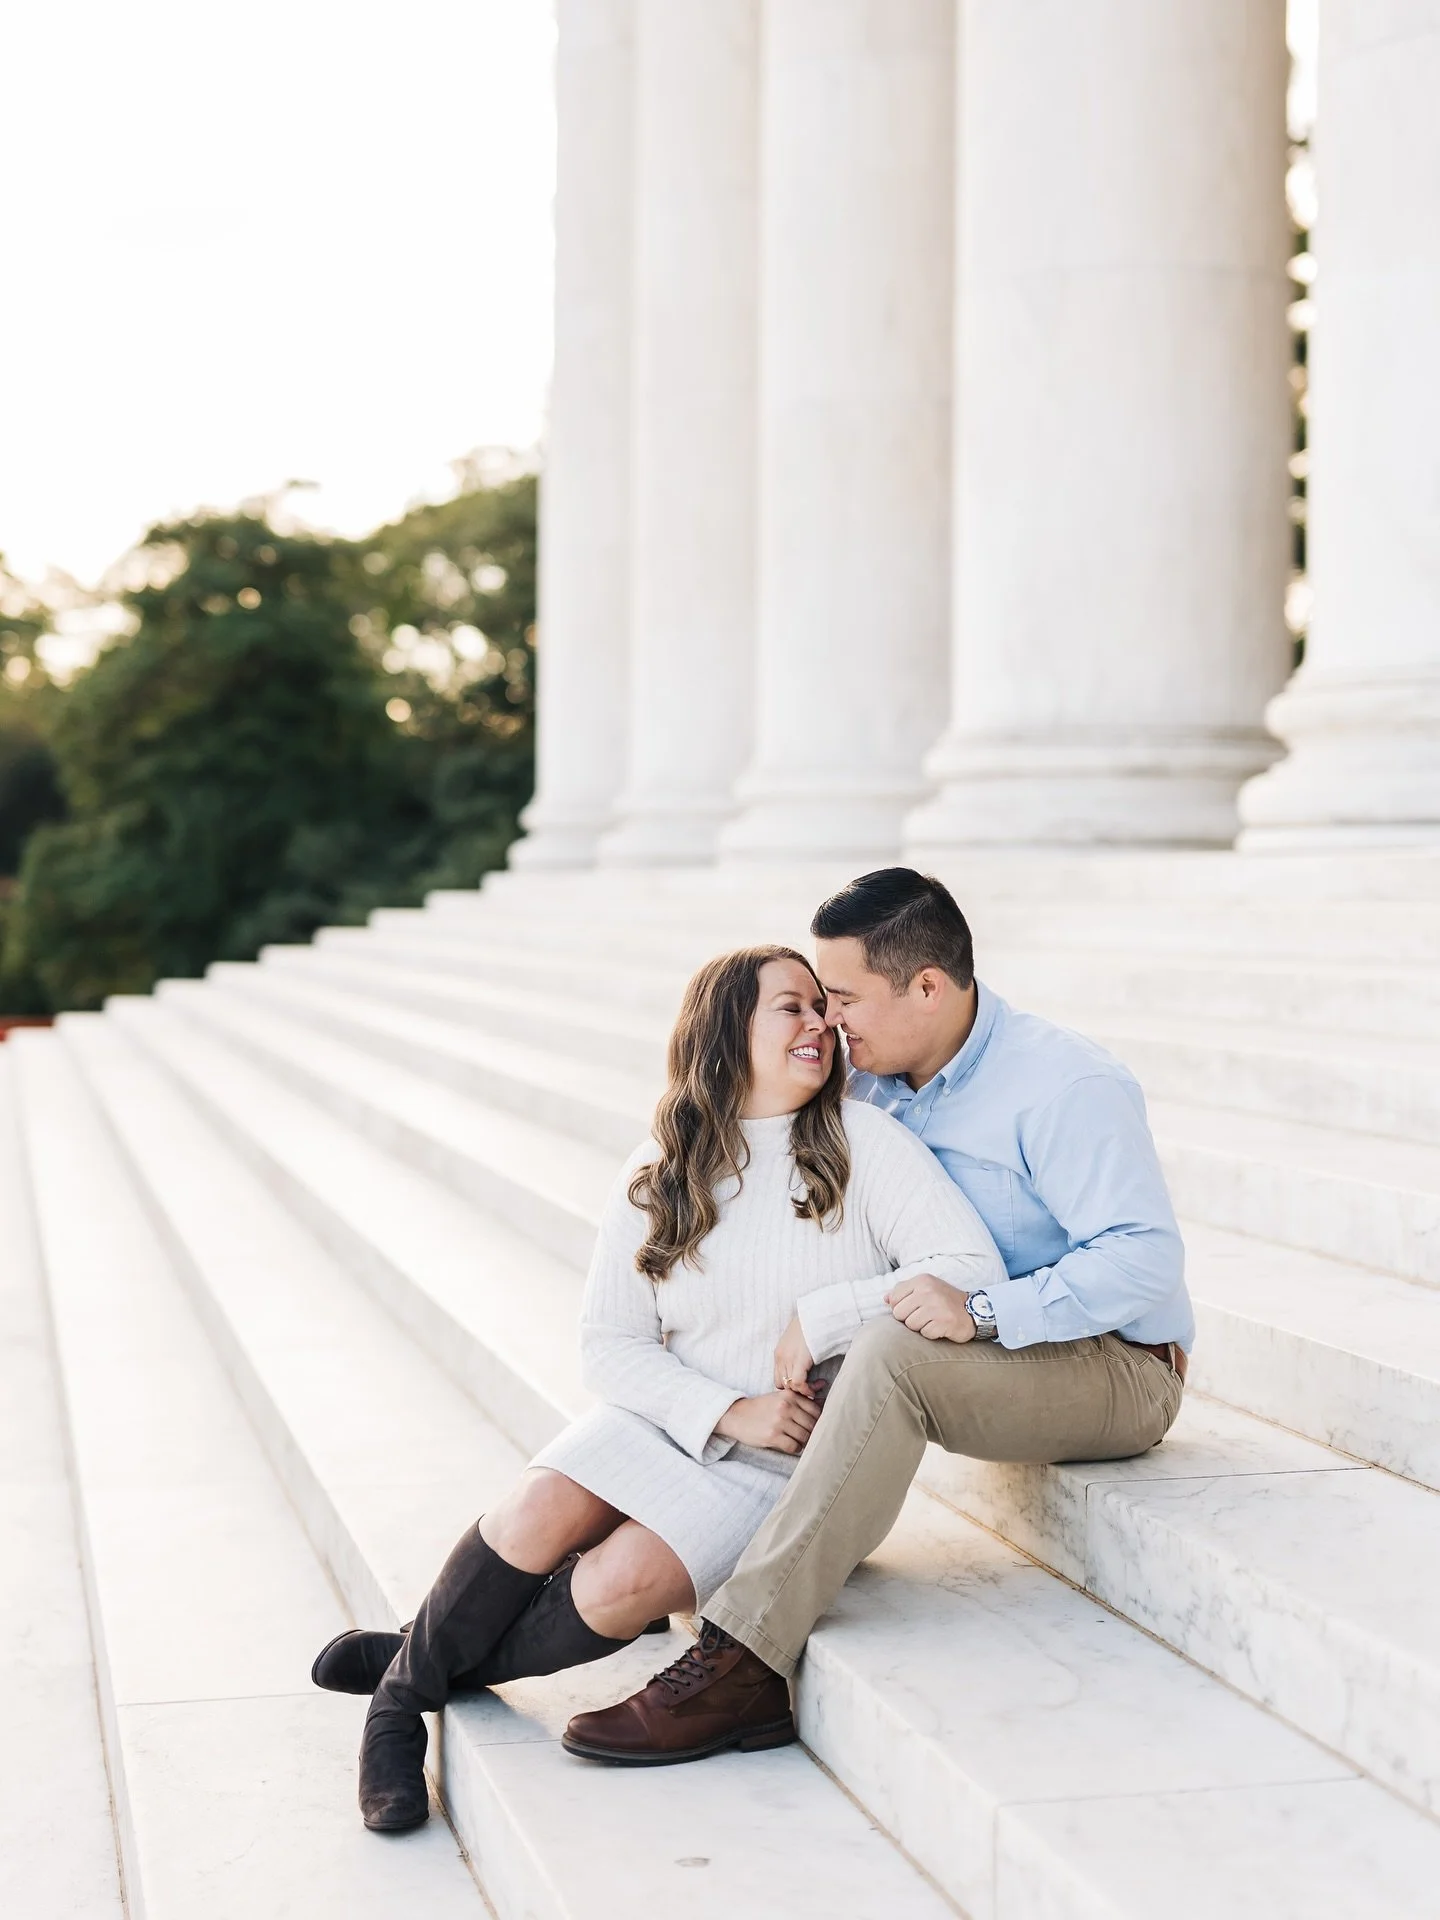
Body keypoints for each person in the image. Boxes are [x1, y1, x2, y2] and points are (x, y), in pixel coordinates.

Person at [321, 940, 1005, 1830]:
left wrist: (830, 1314)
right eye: (790, 1007)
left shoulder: (864, 1144)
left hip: (790, 1460)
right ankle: (398, 1710)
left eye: (822, 1007)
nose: (821, 1024)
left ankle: (429, 1652)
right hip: (669, 1415)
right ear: (728, 1034)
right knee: (534, 1512)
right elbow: (610, 1345)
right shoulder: (663, 1167)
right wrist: (727, 1410)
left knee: (614, 1586)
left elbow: (967, 1264)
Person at [562, 868, 1194, 1765]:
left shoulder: (1064, 1084)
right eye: (820, 1002)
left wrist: (980, 1309)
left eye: (846, 999)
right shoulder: (873, 1085)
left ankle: (744, 1662)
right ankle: (452, 1643)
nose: (831, 1023)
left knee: (890, 1350)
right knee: (845, 1337)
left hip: (1118, 1365)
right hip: (985, 1355)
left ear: (928, 987)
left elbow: (1142, 1260)